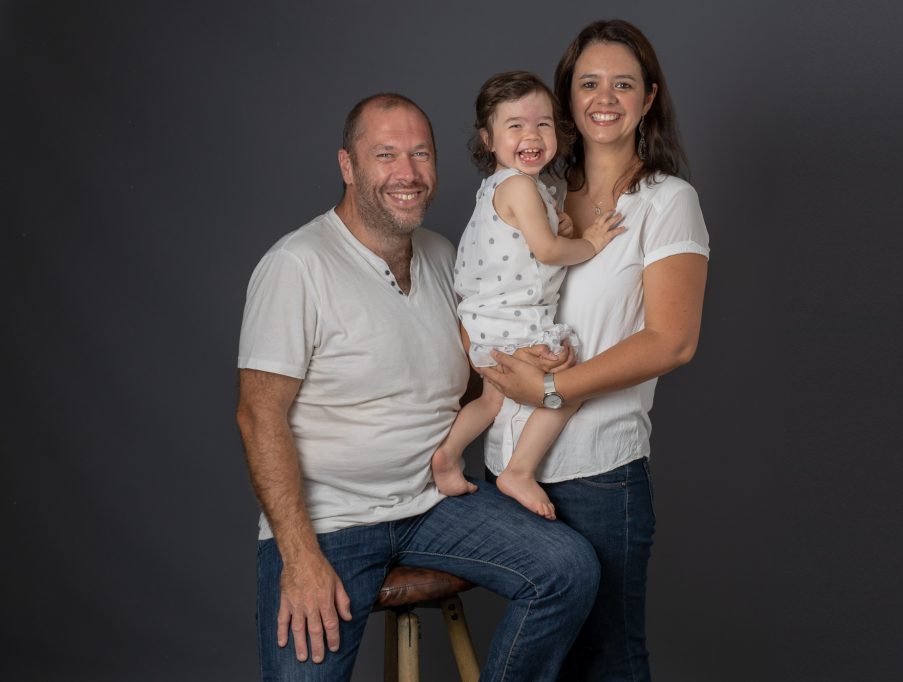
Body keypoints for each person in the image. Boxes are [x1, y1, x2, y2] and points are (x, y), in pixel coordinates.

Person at [235, 92, 600, 681]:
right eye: (385, 155)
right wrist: (299, 556)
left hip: (434, 503)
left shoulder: (442, 255)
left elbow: (481, 368)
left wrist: (538, 363)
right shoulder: (296, 265)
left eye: (420, 154)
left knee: (569, 568)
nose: (407, 173)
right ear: (347, 166)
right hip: (330, 523)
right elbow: (258, 416)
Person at [477, 20, 711, 681]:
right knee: (543, 660)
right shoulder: (538, 194)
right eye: (588, 83)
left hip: (599, 475)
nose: (604, 97)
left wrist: (550, 390)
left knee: (606, 660)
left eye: (623, 83)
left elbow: (673, 339)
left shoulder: (667, 203)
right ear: (566, 97)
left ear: (649, 98)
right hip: (507, 471)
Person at [430, 71, 624, 520]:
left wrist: (564, 225)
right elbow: (548, 251)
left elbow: (527, 241)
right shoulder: (520, 186)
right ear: (488, 138)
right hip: (513, 319)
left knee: (492, 400)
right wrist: (591, 242)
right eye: (514, 125)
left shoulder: (503, 186)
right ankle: (519, 470)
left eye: (543, 124)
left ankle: (447, 455)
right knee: (570, 386)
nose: (531, 135)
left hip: (484, 320)